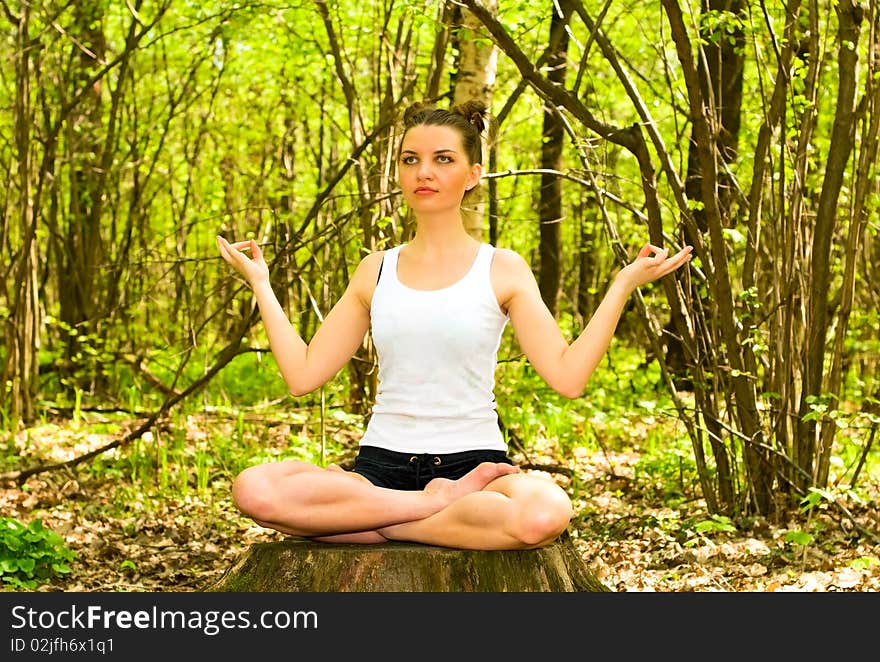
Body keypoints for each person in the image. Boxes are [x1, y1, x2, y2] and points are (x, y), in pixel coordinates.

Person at [216, 100, 692, 551]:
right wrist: (261, 282)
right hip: (378, 472)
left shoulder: (502, 268)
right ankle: (422, 511)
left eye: (443, 159)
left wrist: (622, 286)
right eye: (410, 159)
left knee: (543, 514)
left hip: (476, 472)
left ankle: (375, 526)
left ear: (473, 175)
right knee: (256, 489)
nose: (424, 171)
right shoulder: (374, 270)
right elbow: (302, 376)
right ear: (399, 171)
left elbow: (568, 378)